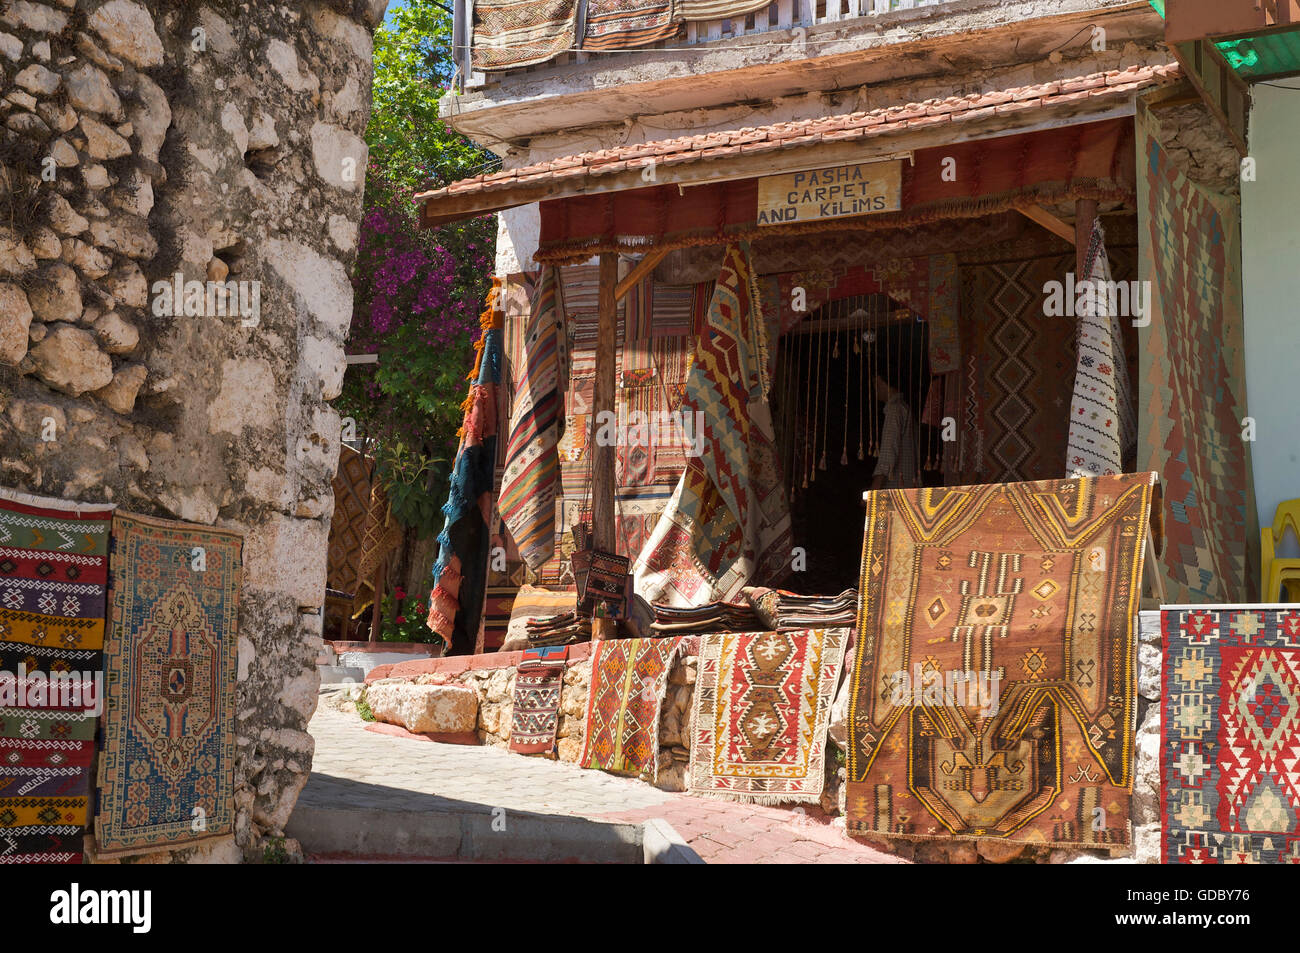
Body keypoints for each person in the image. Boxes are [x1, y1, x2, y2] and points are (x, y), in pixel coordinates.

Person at [870, 370, 919, 490]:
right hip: (910, 487)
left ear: (880, 381)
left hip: (896, 491)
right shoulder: (904, 408)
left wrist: (874, 490)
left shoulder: (894, 410)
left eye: (874, 383)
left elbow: (888, 453)